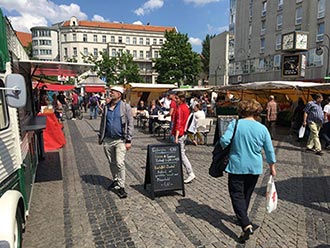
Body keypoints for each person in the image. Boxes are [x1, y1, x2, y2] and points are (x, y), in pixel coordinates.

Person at [220, 99, 276, 243]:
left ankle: (246, 224)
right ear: (257, 112)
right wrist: (272, 167)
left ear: (241, 111)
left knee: (236, 194)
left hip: (237, 165)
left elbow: (225, 141)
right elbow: (269, 149)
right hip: (254, 167)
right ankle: (243, 217)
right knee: (246, 194)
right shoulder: (262, 128)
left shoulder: (236, 124)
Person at [98, 86, 134, 199]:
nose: (111, 94)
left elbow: (130, 124)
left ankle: (121, 186)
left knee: (119, 162)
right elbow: (103, 122)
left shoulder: (125, 107)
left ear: (119, 94)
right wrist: (101, 136)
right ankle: (116, 180)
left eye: (113, 92)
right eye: (110, 92)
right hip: (108, 139)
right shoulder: (106, 107)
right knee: (112, 162)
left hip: (120, 140)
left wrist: (128, 140)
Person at [172, 92, 195, 183]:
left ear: (181, 99)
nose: (175, 100)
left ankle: (190, 172)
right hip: (183, 133)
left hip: (180, 133)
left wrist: (176, 137)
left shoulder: (181, 108)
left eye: (177, 98)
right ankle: (179, 172)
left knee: (181, 155)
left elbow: (179, 123)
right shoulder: (185, 107)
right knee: (180, 154)